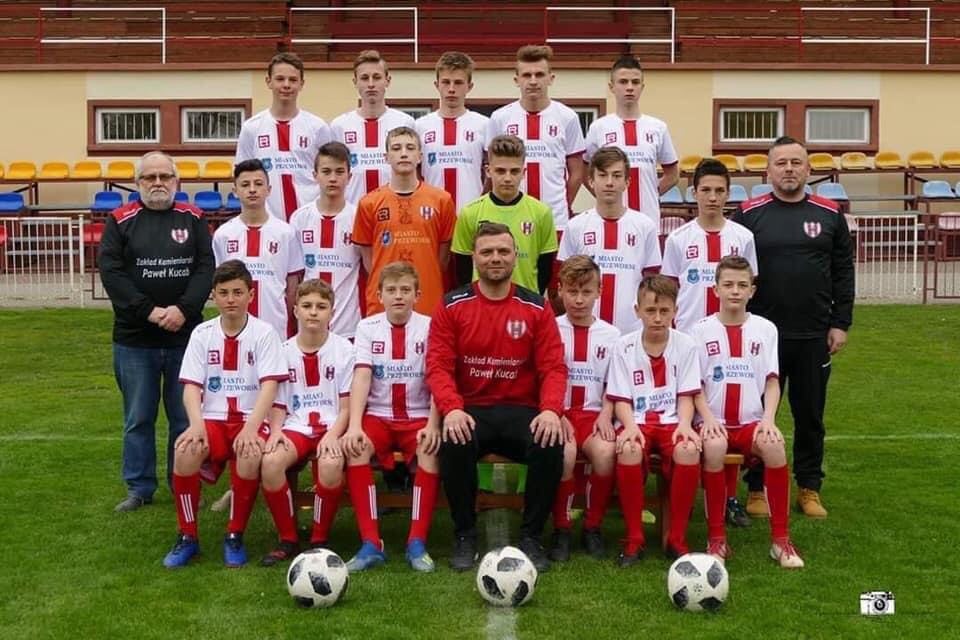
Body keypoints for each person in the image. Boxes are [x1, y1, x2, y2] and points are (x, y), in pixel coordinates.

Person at [426, 222, 567, 573]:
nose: (495, 258)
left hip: (522, 409)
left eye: (503, 251)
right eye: (487, 252)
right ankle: (465, 534)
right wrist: (452, 409)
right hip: (472, 409)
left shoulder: (536, 307)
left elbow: (553, 367)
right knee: (455, 440)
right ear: (474, 257)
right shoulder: (452, 305)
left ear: (515, 255)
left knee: (550, 440)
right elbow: (438, 366)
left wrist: (550, 410)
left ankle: (531, 536)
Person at [732, 136, 854, 519]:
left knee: (810, 415)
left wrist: (840, 323)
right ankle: (756, 488)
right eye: (781, 163)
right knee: (755, 413)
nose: (788, 169)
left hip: (813, 334)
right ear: (767, 170)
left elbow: (843, 272)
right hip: (760, 337)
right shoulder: (748, 214)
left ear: (808, 169)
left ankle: (808, 487)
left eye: (796, 162)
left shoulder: (829, 214)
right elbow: (733, 272)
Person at [99, 151, 214, 513]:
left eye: (165, 176)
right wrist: (149, 311)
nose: (158, 183)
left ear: (177, 181)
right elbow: (112, 273)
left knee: (184, 417)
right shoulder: (120, 220)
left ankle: (183, 481)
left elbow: (205, 267)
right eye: (150, 177)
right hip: (135, 340)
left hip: (185, 338)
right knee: (138, 418)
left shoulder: (194, 218)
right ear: (138, 183)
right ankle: (139, 487)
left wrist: (183, 309)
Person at [163, 260, 288, 568]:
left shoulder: (265, 333)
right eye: (224, 293)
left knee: (249, 452)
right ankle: (187, 536)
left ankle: (234, 534)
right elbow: (191, 387)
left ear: (250, 295)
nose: (231, 299)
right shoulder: (202, 333)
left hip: (250, 418)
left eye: (237, 292)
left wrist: (252, 427)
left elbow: (270, 386)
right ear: (214, 296)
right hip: (213, 419)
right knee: (184, 450)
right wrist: (196, 425)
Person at [690, 255, 804, 569]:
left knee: (775, 446)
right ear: (715, 289)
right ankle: (717, 539)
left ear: (752, 291)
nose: (735, 291)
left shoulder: (766, 329)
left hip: (750, 422)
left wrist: (768, 419)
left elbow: (772, 381)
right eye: (728, 284)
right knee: (714, 447)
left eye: (742, 285)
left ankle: (781, 541)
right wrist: (707, 418)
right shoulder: (699, 331)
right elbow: (694, 386)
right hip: (713, 421)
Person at [661, 158, 757, 527]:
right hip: (688, 342)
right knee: (684, 417)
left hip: (728, 340)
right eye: (706, 190)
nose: (713, 197)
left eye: (719, 191)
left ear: (728, 194)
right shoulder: (678, 239)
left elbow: (748, 287)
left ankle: (729, 498)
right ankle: (679, 492)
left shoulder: (742, 238)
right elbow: (670, 290)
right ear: (694, 193)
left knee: (724, 417)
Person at [340, 262, 442, 573]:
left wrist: (433, 425)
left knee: (430, 450)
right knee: (356, 447)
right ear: (380, 295)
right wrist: (354, 425)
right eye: (392, 290)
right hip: (379, 416)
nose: (398, 296)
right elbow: (362, 377)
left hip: (418, 415)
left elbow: (439, 377)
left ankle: (417, 542)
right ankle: (371, 543)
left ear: (417, 295)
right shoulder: (367, 327)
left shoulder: (431, 326)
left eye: (405, 290)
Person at [606, 275, 701, 566]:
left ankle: (677, 539)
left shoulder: (686, 345)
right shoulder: (623, 346)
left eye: (664, 311)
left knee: (688, 449)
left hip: (672, 421)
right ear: (637, 311)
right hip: (636, 420)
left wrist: (685, 424)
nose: (657, 318)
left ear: (675, 311)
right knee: (629, 448)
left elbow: (687, 394)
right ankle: (634, 538)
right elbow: (620, 398)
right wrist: (629, 426)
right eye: (650, 310)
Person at [259, 278, 354, 566]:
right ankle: (288, 538)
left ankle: (319, 539)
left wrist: (333, 435)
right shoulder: (282, 350)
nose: (313, 312)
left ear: (332, 312)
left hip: (332, 426)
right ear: (295, 310)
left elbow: (347, 407)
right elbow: (278, 404)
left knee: (330, 464)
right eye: (307, 306)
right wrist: (276, 431)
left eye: (321, 307)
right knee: (271, 462)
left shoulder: (345, 350)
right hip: (295, 426)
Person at [549, 256, 620, 562]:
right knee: (564, 455)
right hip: (560, 414)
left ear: (599, 291)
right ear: (560, 290)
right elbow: (541, 377)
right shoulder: (550, 328)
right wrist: (555, 412)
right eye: (572, 291)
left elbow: (616, 383)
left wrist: (606, 413)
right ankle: (562, 528)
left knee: (605, 453)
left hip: (594, 415)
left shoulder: (612, 335)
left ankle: (593, 526)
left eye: (586, 292)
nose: (579, 300)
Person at [352, 126, 456, 316]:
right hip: (383, 303)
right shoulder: (369, 203)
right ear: (386, 157)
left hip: (427, 298)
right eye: (396, 148)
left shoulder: (442, 200)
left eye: (410, 147)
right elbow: (369, 260)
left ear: (420, 156)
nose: (404, 153)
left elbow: (443, 257)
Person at [557, 147, 660, 333]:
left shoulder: (645, 226)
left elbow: (651, 282)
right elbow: (564, 280)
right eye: (603, 175)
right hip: (586, 330)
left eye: (617, 175)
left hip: (632, 331)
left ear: (627, 182)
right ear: (591, 180)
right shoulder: (575, 227)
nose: (609, 182)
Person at [487, 45, 585, 237]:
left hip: (554, 219)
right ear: (516, 80)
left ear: (551, 78)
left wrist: (562, 204)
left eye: (539, 75)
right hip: (508, 218)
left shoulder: (567, 117)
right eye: (527, 75)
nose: (533, 81)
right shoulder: (500, 118)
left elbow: (577, 173)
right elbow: (492, 169)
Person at [451, 134, 557, 293]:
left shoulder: (541, 212)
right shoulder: (470, 213)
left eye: (514, 171)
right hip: (482, 302)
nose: (508, 178)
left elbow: (545, 268)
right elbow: (462, 269)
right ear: (488, 171)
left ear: (523, 172)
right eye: (500, 171)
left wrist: (531, 297)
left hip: (526, 301)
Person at [584, 55, 678, 231]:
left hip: (649, 220)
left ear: (642, 87)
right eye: (623, 82)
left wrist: (651, 193)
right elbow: (584, 171)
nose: (629, 87)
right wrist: (604, 195)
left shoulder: (658, 127)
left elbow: (672, 174)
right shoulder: (599, 127)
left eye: (635, 82)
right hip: (609, 218)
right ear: (612, 87)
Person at [235, 52, 332, 221]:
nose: (286, 85)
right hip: (268, 223)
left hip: (310, 220)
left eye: (293, 80)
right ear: (269, 81)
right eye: (280, 79)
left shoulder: (318, 127)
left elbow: (329, 174)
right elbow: (242, 176)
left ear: (301, 84)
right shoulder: (252, 128)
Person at [212, 159, 302, 338]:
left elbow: (293, 285)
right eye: (245, 184)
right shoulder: (223, 234)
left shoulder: (286, 233)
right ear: (235, 191)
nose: (252, 189)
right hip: (235, 327)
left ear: (269, 190)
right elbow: (220, 284)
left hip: (277, 325)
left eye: (258, 184)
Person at [289, 141, 363, 339]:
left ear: (349, 176)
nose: (333, 178)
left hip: (347, 325)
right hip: (308, 324)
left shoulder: (358, 217)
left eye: (339, 172)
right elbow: (295, 275)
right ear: (315, 175)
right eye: (326, 171)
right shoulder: (300, 218)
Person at [331, 50, 416, 204]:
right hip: (354, 212)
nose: (371, 84)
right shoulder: (339, 126)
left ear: (387, 81)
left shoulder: (405, 122)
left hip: (396, 210)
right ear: (355, 82)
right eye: (364, 78)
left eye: (376, 77)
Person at [415, 51, 489, 213]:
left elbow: (492, 172)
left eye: (458, 83)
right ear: (437, 85)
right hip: (431, 214)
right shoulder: (420, 126)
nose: (451, 89)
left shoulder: (484, 125)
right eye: (446, 82)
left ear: (469, 86)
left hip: (472, 214)